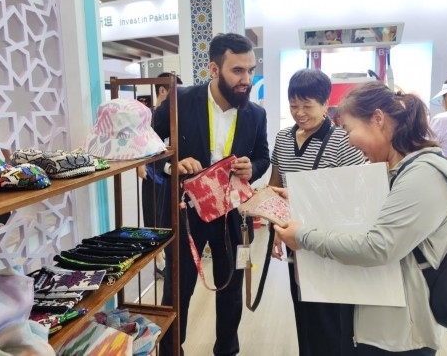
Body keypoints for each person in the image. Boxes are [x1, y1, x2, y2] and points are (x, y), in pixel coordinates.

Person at [274, 81, 447, 355]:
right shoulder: (397, 169)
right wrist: (302, 201)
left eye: (349, 129)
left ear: (378, 119)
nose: (348, 140)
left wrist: (302, 236)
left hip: (400, 335)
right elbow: (357, 212)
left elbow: (378, 246)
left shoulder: (423, 176)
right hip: (376, 319)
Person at [153, 33, 270, 356]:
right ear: (214, 69)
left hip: (231, 213)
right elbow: (148, 146)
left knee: (230, 289)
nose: (247, 79)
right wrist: (172, 165)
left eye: (251, 70)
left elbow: (263, 156)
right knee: (178, 289)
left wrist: (252, 168)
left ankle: (227, 350)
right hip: (185, 212)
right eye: (238, 71)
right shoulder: (179, 101)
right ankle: (171, 351)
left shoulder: (255, 114)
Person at [269, 68, 365, 356]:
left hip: (328, 242)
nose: (299, 113)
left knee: (330, 319)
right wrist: (275, 229)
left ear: (325, 104)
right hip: (294, 242)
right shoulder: (283, 138)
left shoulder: (343, 141)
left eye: (307, 105)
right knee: (303, 312)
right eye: (293, 105)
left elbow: (357, 195)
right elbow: (276, 185)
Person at [139, 72, 183, 277]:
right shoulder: (147, 116)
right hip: (152, 176)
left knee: (170, 220)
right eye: (176, 92)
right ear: (163, 90)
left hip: (170, 178)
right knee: (153, 221)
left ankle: (169, 259)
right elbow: (140, 146)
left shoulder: (176, 115)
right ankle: (159, 262)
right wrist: (140, 165)